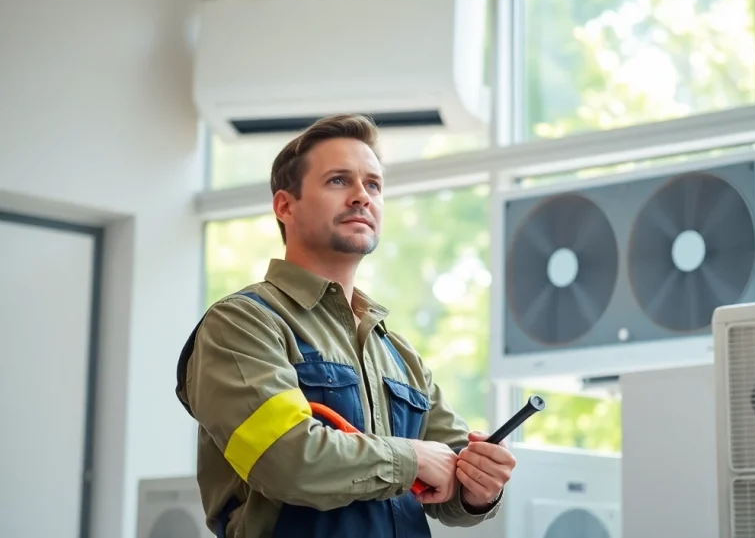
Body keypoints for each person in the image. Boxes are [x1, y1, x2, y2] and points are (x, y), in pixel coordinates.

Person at [174, 114, 515, 538]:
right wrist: (411, 459)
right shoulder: (242, 324)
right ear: (285, 205)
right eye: (339, 181)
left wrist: (479, 484)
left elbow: (450, 479)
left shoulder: (398, 353)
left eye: (373, 185)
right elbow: (286, 460)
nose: (362, 197)